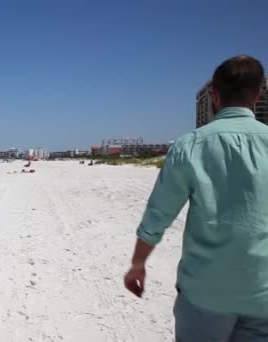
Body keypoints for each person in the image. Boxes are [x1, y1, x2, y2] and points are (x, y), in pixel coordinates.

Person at [124, 55, 268, 341]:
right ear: (257, 93)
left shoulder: (190, 146)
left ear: (213, 94)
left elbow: (158, 215)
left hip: (205, 293)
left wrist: (138, 264)